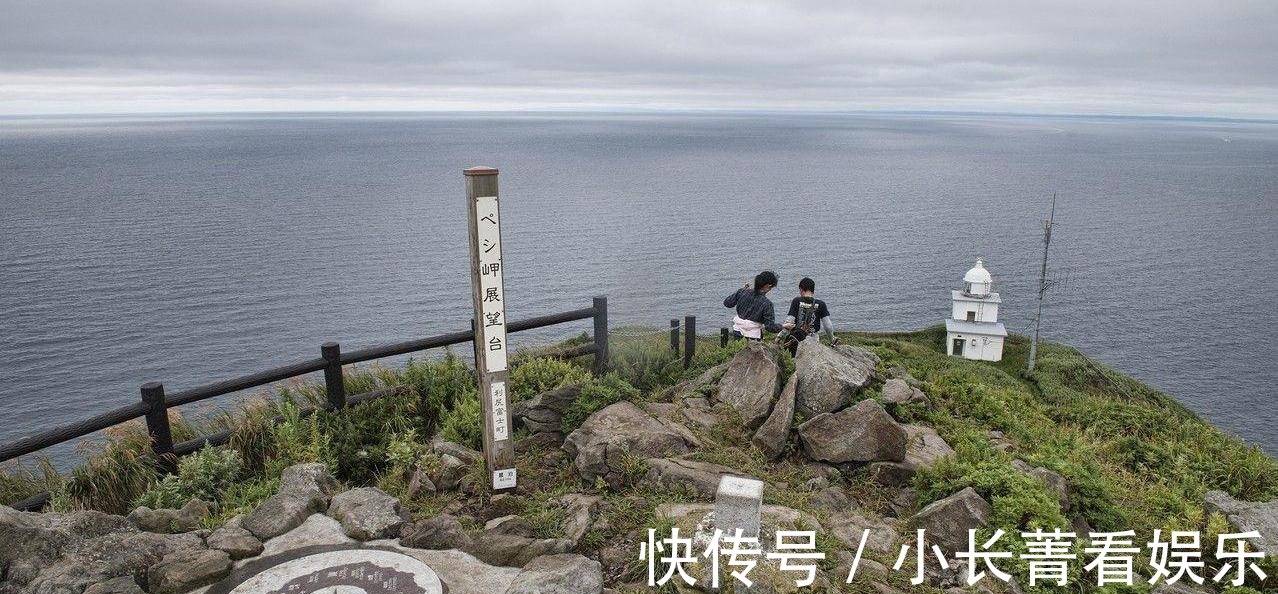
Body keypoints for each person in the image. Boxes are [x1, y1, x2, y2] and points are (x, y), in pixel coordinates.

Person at [778, 277, 837, 355]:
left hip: (797, 339)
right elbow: (828, 326)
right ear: (813, 291)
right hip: (813, 340)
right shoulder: (821, 304)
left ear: (801, 289)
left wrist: (780, 336)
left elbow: (789, 321)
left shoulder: (796, 301)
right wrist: (832, 340)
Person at [724, 271, 790, 340]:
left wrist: (741, 290)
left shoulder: (742, 292)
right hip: (753, 336)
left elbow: (727, 303)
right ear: (768, 286)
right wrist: (783, 326)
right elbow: (770, 327)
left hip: (737, 333)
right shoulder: (767, 304)